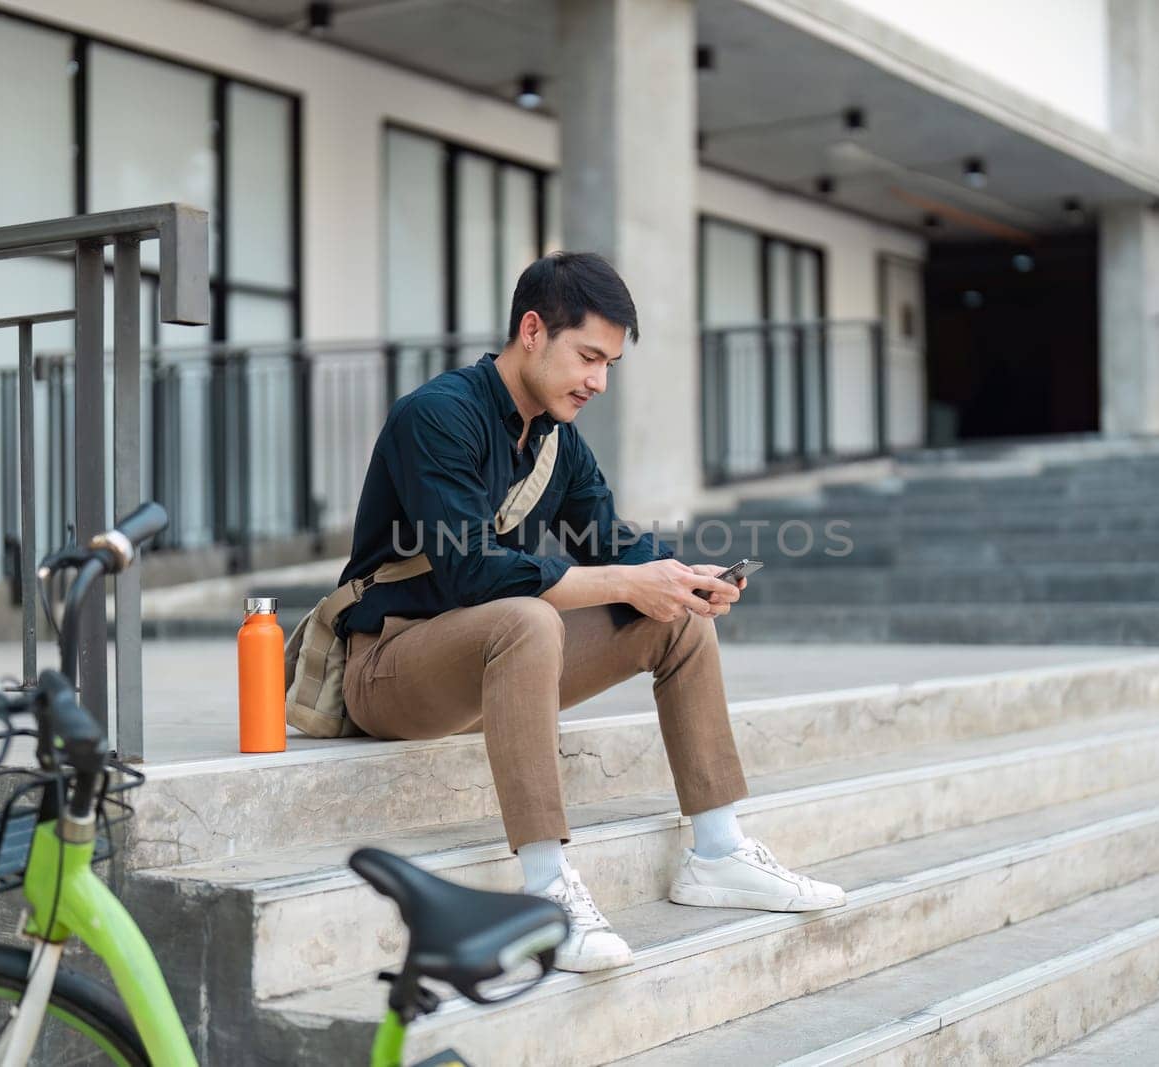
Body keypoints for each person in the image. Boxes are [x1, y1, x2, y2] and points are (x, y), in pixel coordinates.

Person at [334, 252, 845, 972]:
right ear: (533, 330)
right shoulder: (437, 416)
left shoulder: (557, 441)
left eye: (610, 364)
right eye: (589, 356)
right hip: (389, 666)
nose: (598, 381)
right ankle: (547, 894)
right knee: (528, 616)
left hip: (495, 663)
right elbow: (472, 571)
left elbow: (610, 541)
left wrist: (679, 577)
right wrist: (620, 582)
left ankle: (719, 851)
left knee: (677, 619)